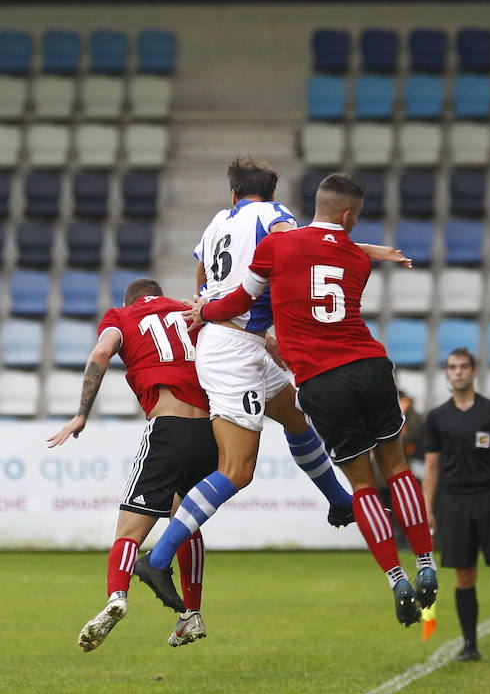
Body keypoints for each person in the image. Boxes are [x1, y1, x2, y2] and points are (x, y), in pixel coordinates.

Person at [134, 157, 406, 600]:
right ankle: (158, 559)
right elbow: (306, 246)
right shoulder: (274, 217)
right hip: (234, 349)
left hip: (241, 340)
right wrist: (367, 250)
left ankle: (340, 501)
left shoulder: (216, 224)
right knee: (236, 471)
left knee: (295, 416)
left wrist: (226, 316)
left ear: (234, 194)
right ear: (272, 193)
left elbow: (203, 280)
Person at [190, 173, 436, 626]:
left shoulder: (277, 248)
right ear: (348, 216)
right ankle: (425, 561)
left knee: (362, 485)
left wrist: (203, 310)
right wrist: (371, 248)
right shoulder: (356, 260)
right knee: (397, 468)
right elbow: (335, 249)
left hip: (321, 382)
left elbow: (235, 303)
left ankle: (395, 576)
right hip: (369, 365)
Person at [47, 278, 218, 650]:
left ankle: (116, 598)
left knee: (128, 530)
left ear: (131, 300)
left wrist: (81, 414)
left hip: (168, 428)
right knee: (185, 519)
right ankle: (192, 614)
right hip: (210, 432)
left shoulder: (121, 316)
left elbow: (101, 353)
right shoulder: (191, 310)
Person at [422, 347, 490, 662]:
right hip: (454, 501)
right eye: (452, 367)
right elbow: (431, 466)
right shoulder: (437, 417)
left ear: (474, 371)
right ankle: (470, 645)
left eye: (463, 366)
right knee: (464, 576)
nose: (458, 372)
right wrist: (426, 508)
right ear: (446, 373)